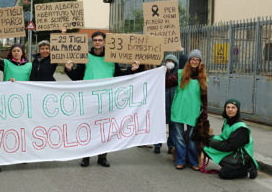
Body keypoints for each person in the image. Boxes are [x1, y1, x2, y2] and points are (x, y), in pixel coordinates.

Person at [64, 31, 140, 168]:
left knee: (105, 128)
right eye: (95, 40)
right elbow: (77, 77)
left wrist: (132, 70)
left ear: (104, 42)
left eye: (100, 40)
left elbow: (119, 76)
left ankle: (102, 156)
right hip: (89, 98)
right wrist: (68, 69)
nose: (97, 42)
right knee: (87, 127)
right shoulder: (85, 57)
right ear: (92, 42)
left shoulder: (111, 58)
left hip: (107, 99)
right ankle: (85, 156)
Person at [167, 49, 208, 171]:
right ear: (189, 61)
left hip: (193, 112)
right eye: (192, 59)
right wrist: (164, 71)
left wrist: (204, 114)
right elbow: (167, 83)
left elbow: (205, 98)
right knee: (179, 138)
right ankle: (180, 161)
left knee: (192, 138)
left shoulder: (202, 79)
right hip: (179, 110)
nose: (194, 61)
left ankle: (193, 160)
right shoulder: (180, 74)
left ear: (200, 62)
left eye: (197, 59)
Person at [203, 99, 259, 179]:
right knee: (205, 148)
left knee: (224, 174)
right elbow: (223, 137)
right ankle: (230, 166)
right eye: (228, 107)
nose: (230, 110)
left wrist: (210, 142)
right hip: (232, 150)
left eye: (233, 107)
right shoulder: (227, 121)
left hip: (241, 155)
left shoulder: (241, 128)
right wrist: (208, 138)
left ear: (238, 110)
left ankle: (247, 169)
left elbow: (228, 146)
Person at [153, 50, 187, 154]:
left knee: (173, 127)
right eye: (168, 60)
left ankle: (171, 146)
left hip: (173, 104)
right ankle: (157, 145)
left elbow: (184, 61)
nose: (170, 62)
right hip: (161, 104)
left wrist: (182, 52)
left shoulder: (179, 73)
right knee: (159, 126)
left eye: (172, 60)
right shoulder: (160, 72)